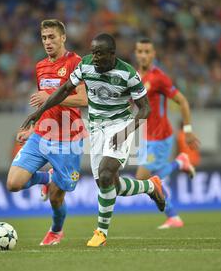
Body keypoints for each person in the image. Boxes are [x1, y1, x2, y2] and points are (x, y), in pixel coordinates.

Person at [21, 33, 167, 247]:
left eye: (99, 54)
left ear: (111, 54)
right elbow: (63, 91)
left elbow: (145, 108)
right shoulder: (85, 65)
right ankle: (151, 187)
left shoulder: (128, 73)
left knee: (107, 173)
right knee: (108, 185)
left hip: (121, 125)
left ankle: (101, 233)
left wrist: (126, 133)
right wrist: (39, 112)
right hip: (96, 126)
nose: (94, 57)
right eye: (93, 52)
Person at [7, 19, 88, 246]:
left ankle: (56, 230)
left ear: (63, 37)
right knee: (13, 183)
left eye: (52, 37)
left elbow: (83, 99)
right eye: (44, 38)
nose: (47, 42)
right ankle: (48, 177)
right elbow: (44, 105)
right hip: (42, 134)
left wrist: (50, 95)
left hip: (68, 138)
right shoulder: (40, 66)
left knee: (57, 197)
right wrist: (33, 127)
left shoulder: (76, 63)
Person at [134, 37, 201, 229]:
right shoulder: (135, 76)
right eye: (140, 51)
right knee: (152, 180)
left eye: (147, 51)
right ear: (136, 53)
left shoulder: (159, 77)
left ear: (154, 54)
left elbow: (183, 102)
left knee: (141, 179)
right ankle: (173, 217)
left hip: (160, 136)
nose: (144, 55)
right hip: (145, 136)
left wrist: (187, 130)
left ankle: (180, 162)